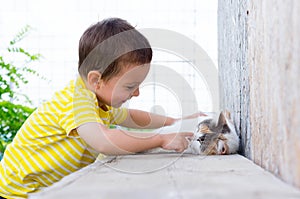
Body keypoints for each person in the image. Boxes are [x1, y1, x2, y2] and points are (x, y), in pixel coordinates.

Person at [0, 18, 204, 198]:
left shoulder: (98, 101)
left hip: (43, 189)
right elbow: (103, 141)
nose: (136, 94)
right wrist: (160, 139)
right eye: (130, 86)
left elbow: (130, 117)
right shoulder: (76, 100)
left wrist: (175, 122)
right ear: (96, 80)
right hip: (17, 192)